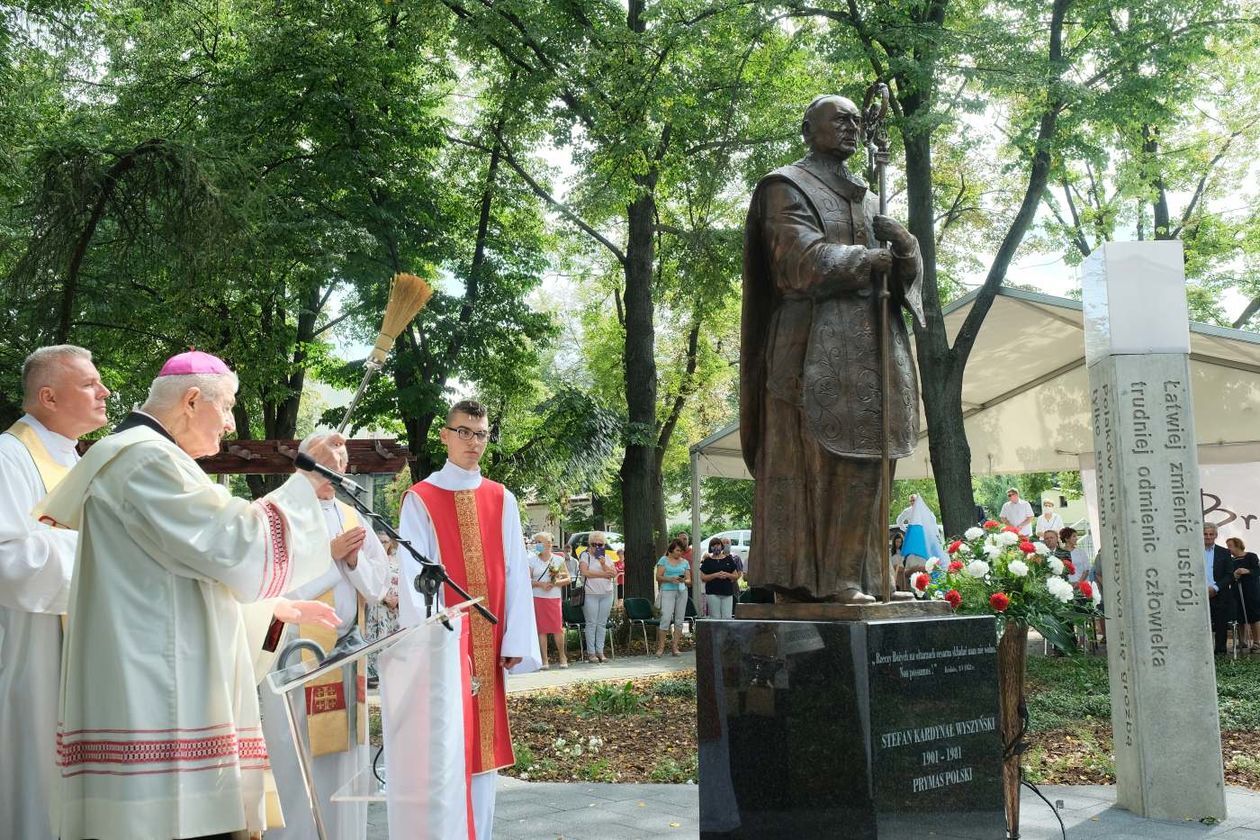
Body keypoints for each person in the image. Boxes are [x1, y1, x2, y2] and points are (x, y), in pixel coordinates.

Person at [35, 350, 341, 840]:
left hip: (155, 681)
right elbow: (238, 543)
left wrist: (270, 608)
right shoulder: (145, 459)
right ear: (193, 400)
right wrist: (304, 481)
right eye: (226, 407)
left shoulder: (147, 458)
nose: (227, 422)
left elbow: (180, 579)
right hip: (158, 703)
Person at [740, 94, 925, 604]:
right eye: (838, 118)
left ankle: (871, 578)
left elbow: (903, 279)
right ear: (809, 129)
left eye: (856, 121)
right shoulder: (785, 186)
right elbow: (797, 261)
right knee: (829, 462)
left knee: (873, 458)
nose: (851, 126)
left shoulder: (867, 201)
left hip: (871, 347)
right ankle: (826, 581)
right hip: (809, 354)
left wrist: (905, 249)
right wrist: (866, 259)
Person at [396, 399, 540, 840]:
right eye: (464, 432)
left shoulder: (502, 497)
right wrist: (434, 641)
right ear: (444, 435)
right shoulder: (420, 498)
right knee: (447, 744)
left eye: (481, 434)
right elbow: (411, 577)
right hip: (446, 645)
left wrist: (516, 638)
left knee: (485, 748)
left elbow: (515, 569)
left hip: (490, 640)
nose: (473, 442)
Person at [0, 345, 109, 839]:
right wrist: (104, 550)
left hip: (84, 647)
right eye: (89, 384)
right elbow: (8, 559)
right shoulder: (9, 456)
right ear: (48, 396)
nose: (104, 392)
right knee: (40, 789)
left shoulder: (75, 460)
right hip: (35, 653)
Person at [261, 433, 390, 840]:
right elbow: (271, 587)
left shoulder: (354, 517)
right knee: (297, 760)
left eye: (343, 460)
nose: (338, 468)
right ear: (304, 464)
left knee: (344, 763)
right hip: (297, 655)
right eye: (327, 460)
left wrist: (352, 561)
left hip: (346, 654)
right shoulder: (278, 513)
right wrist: (330, 557)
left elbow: (379, 585)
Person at [529, 531, 571, 668]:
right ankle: (544, 660)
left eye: (540, 542)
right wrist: (540, 584)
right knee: (542, 630)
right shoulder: (532, 560)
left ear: (549, 544)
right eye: (536, 542)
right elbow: (527, 580)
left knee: (557, 628)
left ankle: (562, 657)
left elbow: (568, 578)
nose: (537, 545)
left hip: (553, 597)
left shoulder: (558, 559)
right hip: (538, 597)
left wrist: (555, 583)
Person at [366, 532, 401, 684]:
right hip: (379, 607)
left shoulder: (397, 561)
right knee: (377, 639)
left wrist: (398, 599)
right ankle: (374, 674)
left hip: (395, 609)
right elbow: (368, 582)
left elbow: (403, 582)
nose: (383, 544)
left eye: (386, 541)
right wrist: (384, 597)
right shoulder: (372, 561)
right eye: (380, 541)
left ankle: (393, 672)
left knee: (394, 640)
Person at [579, 530, 618, 663]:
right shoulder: (585, 556)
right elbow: (585, 572)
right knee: (591, 623)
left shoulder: (606, 557)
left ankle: (600, 651)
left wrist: (603, 564)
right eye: (595, 544)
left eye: (600, 544)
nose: (597, 547)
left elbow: (613, 573)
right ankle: (591, 653)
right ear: (590, 544)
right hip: (591, 593)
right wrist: (602, 574)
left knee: (601, 624)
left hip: (606, 593)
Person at [1204, 524, 1238, 655]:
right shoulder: (1192, 551)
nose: (1208, 537)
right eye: (1205, 534)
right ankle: (1202, 652)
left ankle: (1220, 652)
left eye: (1211, 534)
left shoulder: (1224, 552)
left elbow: (1230, 575)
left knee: (1220, 625)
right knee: (1200, 625)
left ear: (1215, 536)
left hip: (1219, 593)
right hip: (1198, 593)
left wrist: (1215, 588)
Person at [655, 539, 692, 656]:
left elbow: (689, 580)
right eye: (677, 550)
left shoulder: (685, 562)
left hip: (681, 591)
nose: (679, 553)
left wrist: (683, 580)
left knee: (679, 620)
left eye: (681, 551)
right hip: (667, 591)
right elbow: (658, 577)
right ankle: (661, 647)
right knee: (665, 618)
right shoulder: (664, 560)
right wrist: (670, 579)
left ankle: (675, 647)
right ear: (671, 550)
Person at [1226, 537, 1260, 651]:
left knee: (1254, 615)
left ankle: (1257, 641)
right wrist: (1234, 575)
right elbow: (1228, 576)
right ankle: (1242, 641)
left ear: (1237, 545)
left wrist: (1247, 571)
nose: (1228, 549)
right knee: (1239, 616)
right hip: (1237, 590)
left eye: (1230, 546)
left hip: (1251, 590)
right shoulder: (1231, 561)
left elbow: (1257, 570)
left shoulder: (1251, 556)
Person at [701, 538, 741, 619]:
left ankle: (726, 632)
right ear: (710, 547)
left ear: (721, 546)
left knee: (727, 617)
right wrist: (715, 575)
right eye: (713, 545)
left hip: (727, 592)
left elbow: (736, 576)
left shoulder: (728, 559)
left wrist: (727, 574)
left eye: (718, 544)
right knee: (715, 617)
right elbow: (703, 577)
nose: (716, 547)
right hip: (712, 592)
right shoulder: (707, 561)